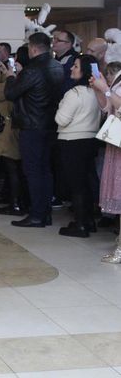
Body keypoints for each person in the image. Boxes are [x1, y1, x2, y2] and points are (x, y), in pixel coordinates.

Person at [5, 32, 64, 227]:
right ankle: (45, 213)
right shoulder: (57, 66)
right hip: (51, 123)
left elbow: (11, 93)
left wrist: (11, 77)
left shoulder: (32, 69)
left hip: (32, 124)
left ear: (33, 48)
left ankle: (37, 214)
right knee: (45, 170)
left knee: (33, 171)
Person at [55, 54, 101, 238]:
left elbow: (61, 119)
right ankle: (88, 221)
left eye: (75, 66)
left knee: (76, 185)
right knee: (86, 183)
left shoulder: (73, 93)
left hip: (72, 141)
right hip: (90, 140)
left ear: (84, 71)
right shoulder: (95, 92)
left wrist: (60, 105)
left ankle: (80, 225)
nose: (71, 69)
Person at [0, 50, 26, 216]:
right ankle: (14, 200)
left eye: (15, 62)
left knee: (12, 167)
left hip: (11, 127)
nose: (13, 65)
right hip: (13, 126)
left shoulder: (17, 81)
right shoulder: (17, 79)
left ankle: (16, 204)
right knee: (12, 167)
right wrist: (4, 75)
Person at [90, 62, 121, 261]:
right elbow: (107, 108)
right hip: (116, 141)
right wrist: (99, 90)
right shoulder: (118, 80)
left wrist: (106, 90)